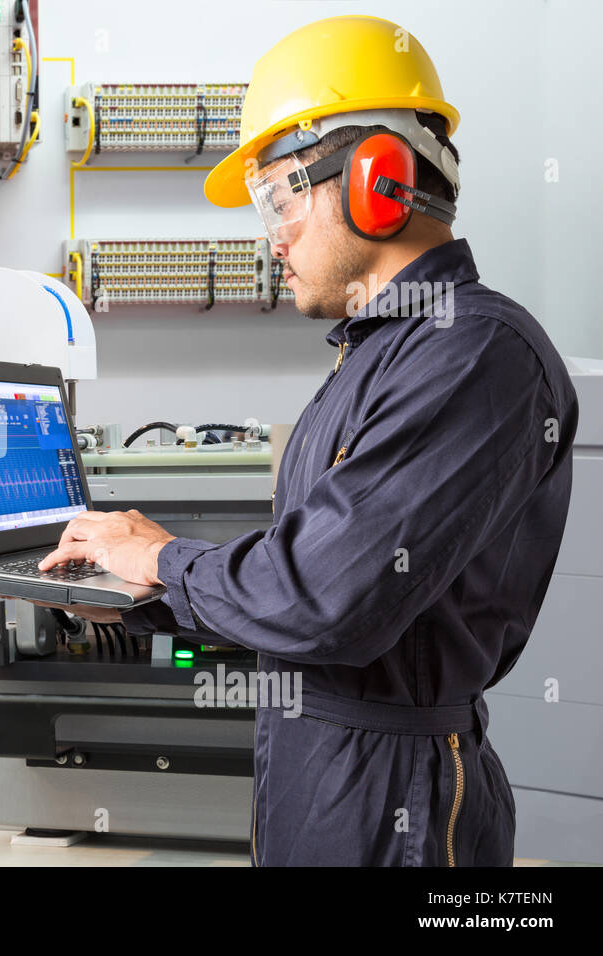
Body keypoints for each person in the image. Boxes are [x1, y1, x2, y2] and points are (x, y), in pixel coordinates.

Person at [38, 15, 578, 866]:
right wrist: (130, 598)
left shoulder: (473, 352)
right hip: (321, 774)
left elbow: (327, 601)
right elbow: (303, 595)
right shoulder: (381, 355)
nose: (270, 234)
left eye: (279, 197)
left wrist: (164, 558)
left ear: (378, 179)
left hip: (393, 800)